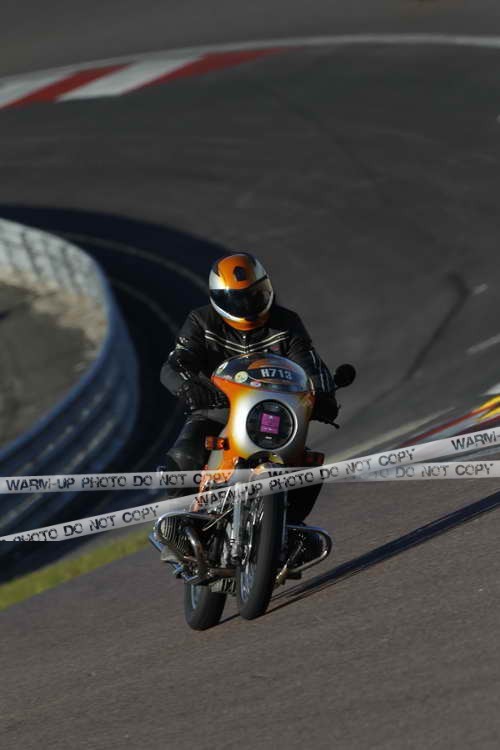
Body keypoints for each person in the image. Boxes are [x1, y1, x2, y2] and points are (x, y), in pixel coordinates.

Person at [160, 252, 339, 525]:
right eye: (236, 300)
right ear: (218, 298)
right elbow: (176, 362)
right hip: (217, 409)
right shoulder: (201, 320)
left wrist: (324, 395)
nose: (246, 306)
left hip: (275, 411)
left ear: (267, 289)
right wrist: (187, 386)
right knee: (184, 456)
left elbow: (310, 364)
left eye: (254, 296)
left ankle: (289, 526)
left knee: (308, 465)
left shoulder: (287, 322)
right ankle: (179, 523)